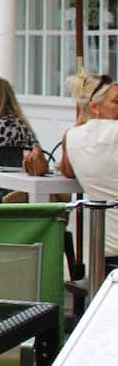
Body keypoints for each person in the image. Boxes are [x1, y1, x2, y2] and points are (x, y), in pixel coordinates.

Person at [59, 74, 118, 263]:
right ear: (94, 107)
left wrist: (79, 122)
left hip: (101, 245)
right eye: (117, 102)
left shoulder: (71, 136)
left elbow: (67, 171)